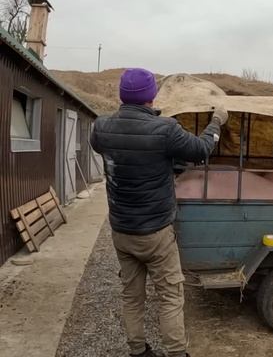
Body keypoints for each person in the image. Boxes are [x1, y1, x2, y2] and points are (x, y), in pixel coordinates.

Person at [91, 68, 228, 357]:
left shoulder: (100, 128)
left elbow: (132, 149)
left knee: (132, 295)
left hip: (121, 231)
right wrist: (216, 122)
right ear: (151, 96)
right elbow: (201, 149)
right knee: (170, 296)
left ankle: (138, 351)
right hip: (155, 234)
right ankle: (177, 353)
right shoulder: (164, 130)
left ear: (122, 95)